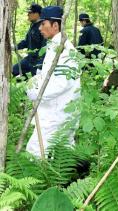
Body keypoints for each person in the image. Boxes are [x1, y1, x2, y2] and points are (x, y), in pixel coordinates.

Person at [26, 6, 80, 157]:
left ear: (55, 25)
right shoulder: (55, 46)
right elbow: (48, 75)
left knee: (35, 152)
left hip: (57, 113)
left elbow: (61, 83)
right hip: (58, 111)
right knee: (63, 157)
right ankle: (69, 179)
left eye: (43, 24)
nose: (40, 28)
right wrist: (35, 80)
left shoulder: (64, 50)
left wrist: (34, 92)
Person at [12, 3, 46, 77]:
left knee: (36, 80)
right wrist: (14, 47)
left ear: (37, 14)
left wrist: (40, 64)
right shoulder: (33, 25)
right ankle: (25, 85)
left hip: (38, 61)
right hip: (29, 59)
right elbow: (26, 42)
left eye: (30, 12)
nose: (28, 15)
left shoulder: (43, 26)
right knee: (14, 70)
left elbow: (45, 47)